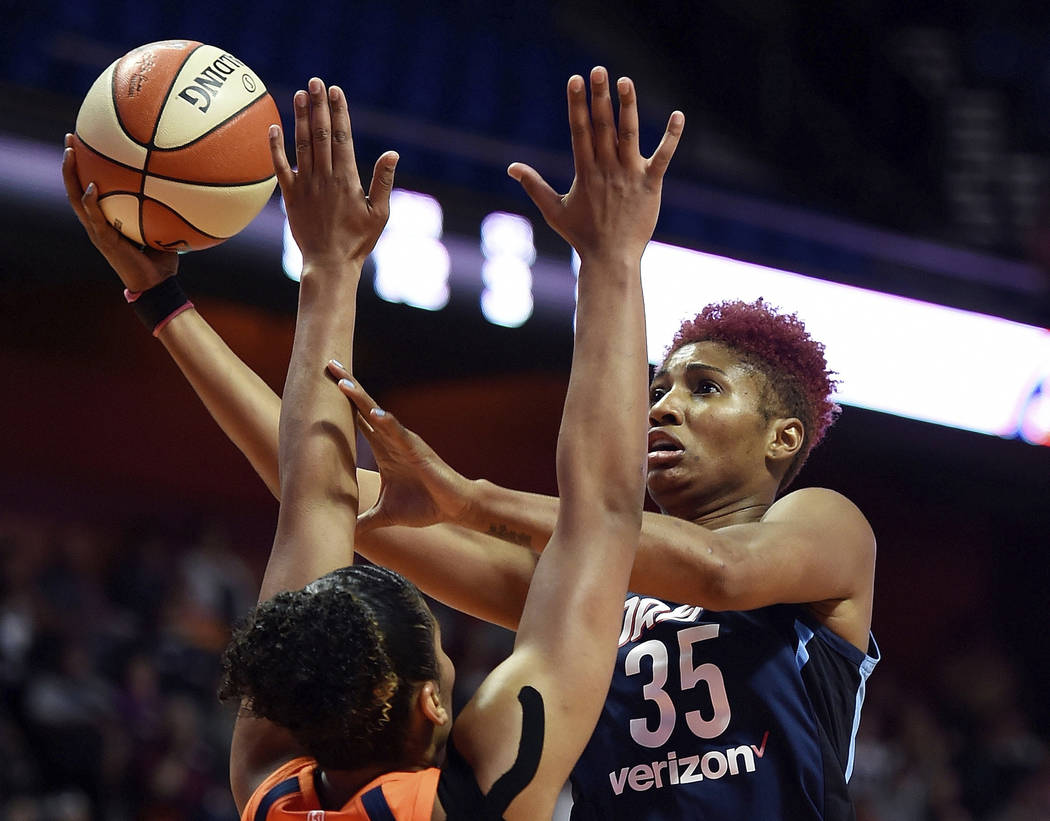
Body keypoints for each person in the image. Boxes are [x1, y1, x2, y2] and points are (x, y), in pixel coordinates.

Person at [64, 65, 876, 819]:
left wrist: (472, 499)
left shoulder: (822, 524)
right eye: (658, 385)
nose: (662, 407)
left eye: (702, 388)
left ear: (784, 438)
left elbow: (720, 572)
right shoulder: (583, 582)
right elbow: (322, 488)